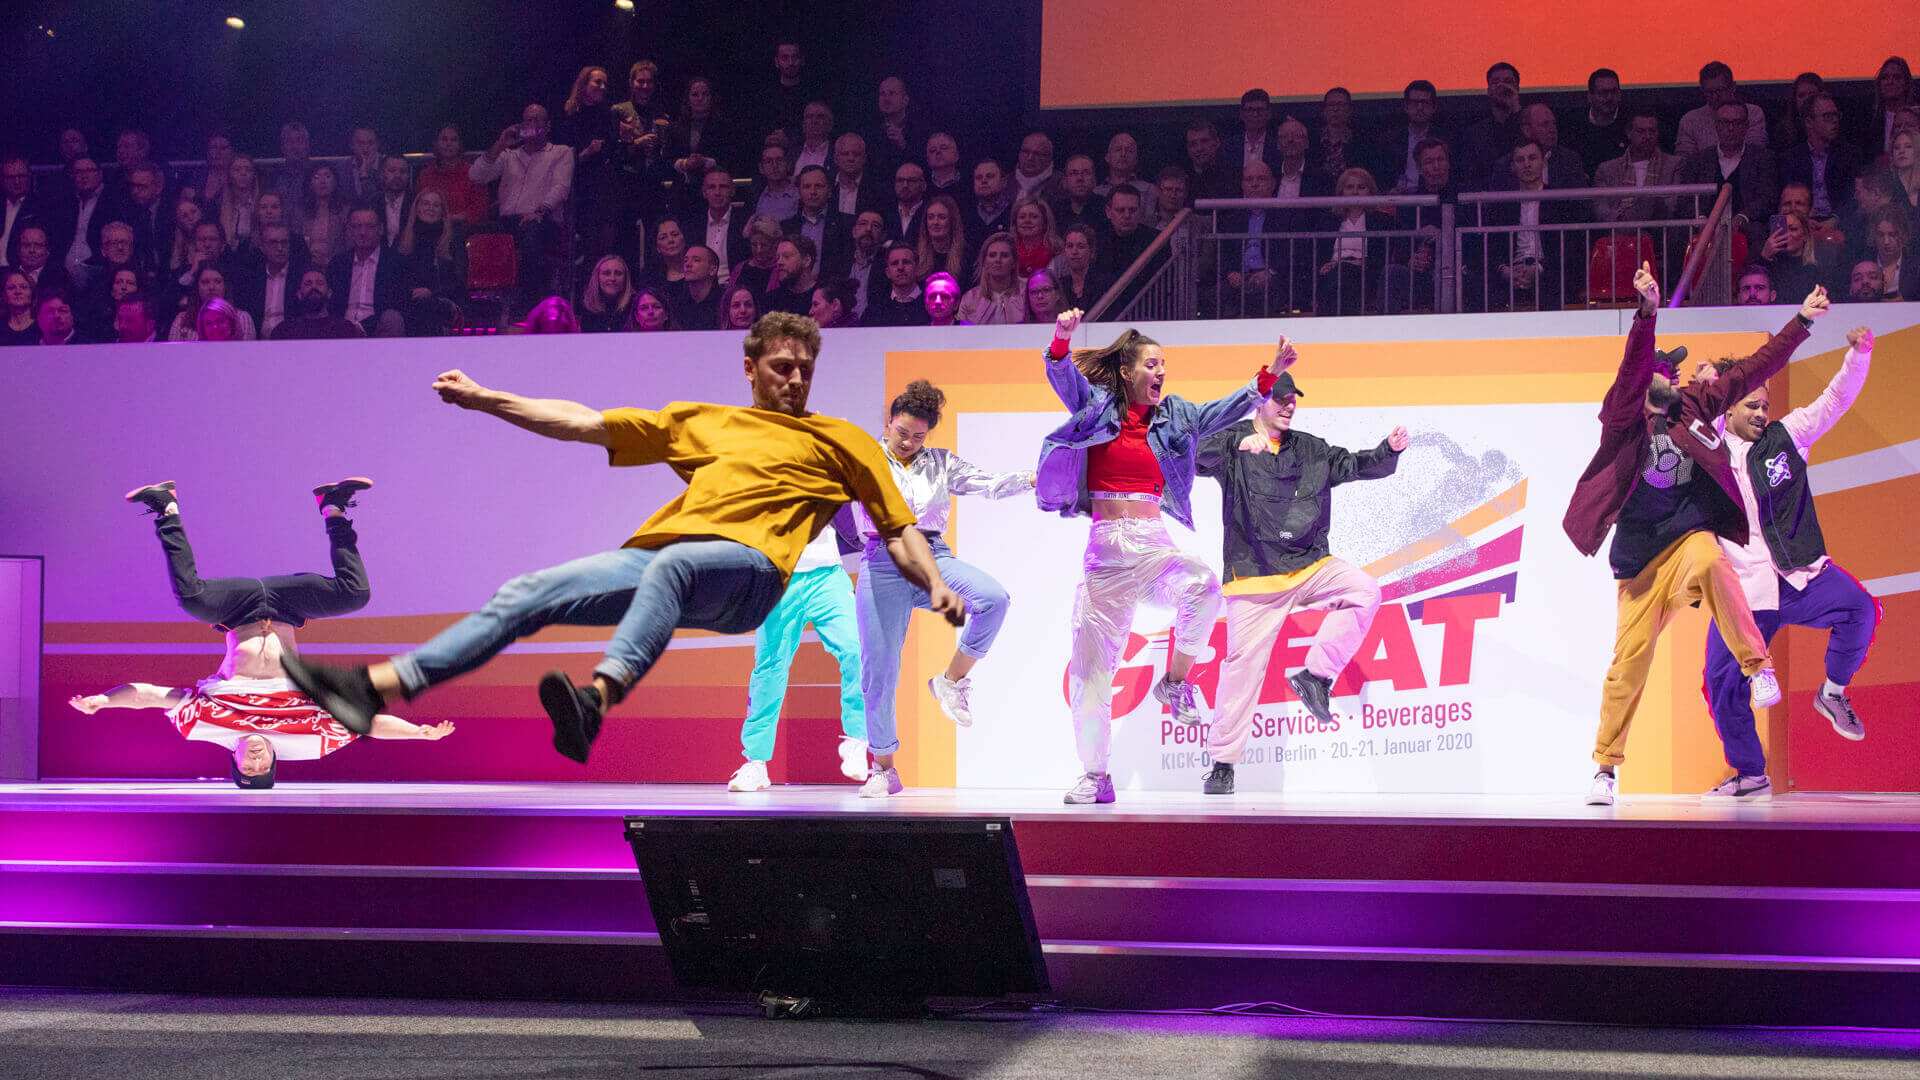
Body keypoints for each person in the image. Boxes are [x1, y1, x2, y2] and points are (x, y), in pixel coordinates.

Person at [279, 313, 960, 765]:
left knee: (676, 565)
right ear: (749, 367)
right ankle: (374, 688)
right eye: (782, 366)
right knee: (526, 594)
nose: (796, 379)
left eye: (805, 368)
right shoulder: (702, 421)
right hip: (663, 559)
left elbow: (899, 529)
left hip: (751, 575)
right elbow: (583, 423)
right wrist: (486, 398)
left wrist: (933, 583)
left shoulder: (841, 438)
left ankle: (595, 701)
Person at [1563, 266, 1828, 806]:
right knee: (1628, 666)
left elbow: (1754, 368)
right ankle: (1605, 769)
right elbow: (1631, 369)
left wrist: (1801, 321)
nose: (1669, 379)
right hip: (1639, 562)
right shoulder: (1623, 417)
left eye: (1672, 373)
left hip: (1685, 543)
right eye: (1661, 372)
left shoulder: (1695, 407)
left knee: (1710, 559)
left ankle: (1758, 669)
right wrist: (1646, 313)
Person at [1037, 308, 1284, 804]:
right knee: (1090, 674)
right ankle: (1096, 776)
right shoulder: (1098, 407)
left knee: (1204, 586)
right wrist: (1061, 339)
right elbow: (1063, 377)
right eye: (1152, 365)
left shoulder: (1177, 416)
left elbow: (1223, 410)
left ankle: (1175, 682)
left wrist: (1268, 377)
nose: (1161, 372)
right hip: (1105, 555)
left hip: (1152, 546)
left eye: (1164, 365)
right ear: (1127, 371)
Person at [80, 479, 451, 788]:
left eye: (248, 767)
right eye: (263, 768)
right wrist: (417, 733)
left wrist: (104, 701)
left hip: (237, 611)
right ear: (274, 761)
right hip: (287, 608)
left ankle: (166, 509)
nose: (256, 760)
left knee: (191, 600)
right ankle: (333, 507)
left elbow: (148, 695)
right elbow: (369, 724)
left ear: (235, 759)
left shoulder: (205, 726)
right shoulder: (310, 737)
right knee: (355, 595)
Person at [1195, 356, 1407, 794]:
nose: (1289, 406)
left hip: (1309, 564)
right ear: (1260, 401)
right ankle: (1223, 764)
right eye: (1281, 399)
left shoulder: (1310, 449)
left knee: (1365, 590)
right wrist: (1236, 444)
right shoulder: (1232, 440)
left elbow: (1354, 464)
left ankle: (1316, 676)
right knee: (1241, 669)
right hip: (1254, 574)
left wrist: (1388, 450)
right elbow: (1191, 456)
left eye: (1294, 400)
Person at [1700, 326, 1880, 800]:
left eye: (1765, 405)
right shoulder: (1706, 450)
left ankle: (1833, 693)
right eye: (1751, 405)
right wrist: (1703, 386)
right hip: (1743, 593)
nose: (1762, 413)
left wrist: (1859, 356)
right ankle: (1751, 774)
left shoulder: (1788, 435)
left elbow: (1835, 400)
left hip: (1799, 576)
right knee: (1720, 684)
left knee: (1861, 609)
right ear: (1728, 407)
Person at [850, 380, 1034, 797]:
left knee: (994, 598)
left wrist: (1031, 479)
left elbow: (988, 483)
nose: (909, 442)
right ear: (888, 423)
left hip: (934, 555)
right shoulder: (864, 459)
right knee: (879, 672)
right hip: (883, 562)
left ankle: (950, 680)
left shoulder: (940, 462)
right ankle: (883, 768)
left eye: (918, 436)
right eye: (902, 432)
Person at [726, 505, 867, 793]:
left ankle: (857, 740)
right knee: (769, 668)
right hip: (778, 578)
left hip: (827, 575)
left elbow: (850, 521)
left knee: (855, 651)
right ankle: (755, 762)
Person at [470, 104, 575, 310]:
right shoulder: (508, 155)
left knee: (531, 233)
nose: (532, 124)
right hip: (508, 220)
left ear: (547, 125)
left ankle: (528, 301)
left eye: (537, 120)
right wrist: (500, 144)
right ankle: (472, 302)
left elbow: (561, 187)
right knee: (468, 233)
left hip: (543, 220)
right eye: (528, 120)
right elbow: (476, 176)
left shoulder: (561, 153)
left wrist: (540, 211)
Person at [558, 66, 618, 261]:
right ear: (584, 85)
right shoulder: (571, 116)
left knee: (607, 236)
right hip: (582, 186)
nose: (602, 87)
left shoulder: (607, 115)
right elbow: (564, 158)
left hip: (604, 183)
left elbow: (612, 149)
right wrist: (587, 152)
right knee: (589, 239)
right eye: (597, 82)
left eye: (605, 83)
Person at [326, 208, 407, 337]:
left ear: (380, 229)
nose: (362, 232)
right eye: (357, 227)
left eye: (369, 226)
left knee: (393, 318)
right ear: (349, 230)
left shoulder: (396, 263)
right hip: (342, 330)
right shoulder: (338, 263)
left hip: (378, 328)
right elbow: (332, 306)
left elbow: (398, 304)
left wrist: (363, 326)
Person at [394, 189, 465, 336]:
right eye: (426, 203)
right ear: (417, 208)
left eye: (436, 205)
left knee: (425, 309)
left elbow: (459, 281)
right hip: (409, 300)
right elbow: (395, 277)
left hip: (443, 300)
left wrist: (431, 292)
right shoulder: (402, 239)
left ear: (442, 212)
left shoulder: (453, 241)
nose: (430, 208)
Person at [1675, 62, 1769, 157]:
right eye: (1709, 92)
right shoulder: (1690, 121)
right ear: (1702, 91)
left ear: (1733, 87)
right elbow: (1685, 160)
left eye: (1720, 90)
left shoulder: (1753, 114)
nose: (1715, 96)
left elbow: (1756, 153)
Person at [415, 125, 492, 226]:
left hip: (466, 229)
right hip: (431, 228)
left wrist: (448, 219)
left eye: (454, 140)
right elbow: (417, 207)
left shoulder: (474, 172)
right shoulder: (425, 175)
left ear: (460, 144)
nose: (449, 143)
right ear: (436, 144)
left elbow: (480, 209)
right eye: (444, 139)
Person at [270, 269, 366, 340]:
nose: (314, 287)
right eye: (308, 284)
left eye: (319, 283)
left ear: (329, 293)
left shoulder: (345, 329)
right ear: (299, 294)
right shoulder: (284, 331)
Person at [169, 265, 257, 341]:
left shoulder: (242, 318)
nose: (211, 287)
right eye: (205, 282)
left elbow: (245, 352)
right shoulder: (182, 320)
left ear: (225, 286)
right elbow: (172, 353)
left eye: (217, 281)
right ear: (197, 288)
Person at [958, 232, 1025, 325]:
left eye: (1004, 255)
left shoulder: (1026, 294)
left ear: (1014, 262)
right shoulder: (970, 298)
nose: (998, 260)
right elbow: (961, 331)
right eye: (992, 255)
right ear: (984, 262)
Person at [861, 241, 928, 327]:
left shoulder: (931, 305)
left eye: (906, 262)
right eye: (895, 263)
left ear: (917, 268)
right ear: (888, 272)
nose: (900, 267)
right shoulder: (874, 310)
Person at [1053, 222, 1111, 312]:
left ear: (1091, 252)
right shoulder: (1060, 286)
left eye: (1080, 247)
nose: (1074, 251)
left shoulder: (1105, 284)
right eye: (1070, 246)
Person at [913, 194, 969, 287]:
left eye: (942, 217)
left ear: (952, 221)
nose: (935, 222)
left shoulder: (966, 255)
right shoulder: (916, 255)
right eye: (930, 217)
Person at [299, 165, 348, 267]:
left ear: (335, 182)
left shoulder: (345, 212)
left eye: (327, 176)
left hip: (337, 267)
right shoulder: (300, 213)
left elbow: (349, 246)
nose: (322, 181)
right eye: (316, 177)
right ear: (310, 183)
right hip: (306, 267)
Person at [763, 234, 819, 315]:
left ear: (806, 260)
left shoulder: (823, 298)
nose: (779, 262)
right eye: (777, 257)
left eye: (786, 256)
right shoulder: (771, 299)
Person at [578, 254, 635, 332]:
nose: (612, 278)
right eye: (607, 273)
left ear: (626, 278)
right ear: (597, 277)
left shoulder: (636, 306)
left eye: (618, 273)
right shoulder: (588, 308)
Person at [674, 245, 723, 330]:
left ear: (712, 270)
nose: (688, 264)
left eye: (696, 260)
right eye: (685, 261)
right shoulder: (677, 302)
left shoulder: (725, 301)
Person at [0, 269, 36, 345]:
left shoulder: (43, 326)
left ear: (32, 293)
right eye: (11, 288)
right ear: (4, 295)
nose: (18, 292)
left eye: (23, 287)